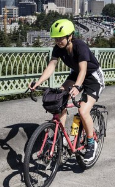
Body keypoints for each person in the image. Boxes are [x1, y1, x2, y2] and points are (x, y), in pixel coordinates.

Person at [29, 19, 105, 160]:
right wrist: (38, 82)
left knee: (83, 110)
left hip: (92, 78)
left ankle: (91, 142)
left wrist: (77, 86)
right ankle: (60, 137)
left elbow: (83, 70)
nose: (58, 41)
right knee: (59, 98)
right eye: (56, 38)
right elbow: (51, 66)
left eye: (60, 38)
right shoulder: (58, 48)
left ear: (70, 36)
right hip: (75, 75)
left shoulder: (80, 46)